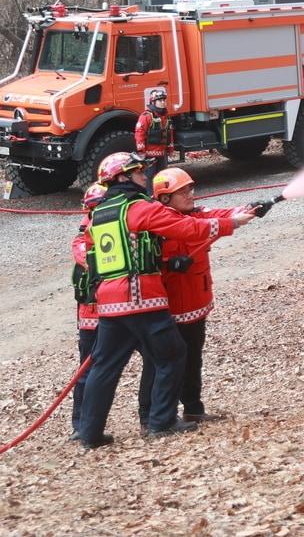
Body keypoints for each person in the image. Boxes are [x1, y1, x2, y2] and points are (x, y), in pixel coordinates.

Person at [72, 153, 253, 448]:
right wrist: (231, 224)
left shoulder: (99, 215)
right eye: (138, 172)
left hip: (109, 303)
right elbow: (186, 227)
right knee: (171, 354)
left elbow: (90, 255)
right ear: (122, 178)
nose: (144, 176)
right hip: (143, 298)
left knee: (104, 365)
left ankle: (89, 433)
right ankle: (161, 422)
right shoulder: (138, 208)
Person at [137, 167, 241, 425]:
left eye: (190, 189)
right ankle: (152, 416)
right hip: (167, 308)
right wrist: (167, 264)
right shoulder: (156, 222)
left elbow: (217, 216)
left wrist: (249, 210)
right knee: (160, 362)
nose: (190, 195)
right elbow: (141, 260)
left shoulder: (195, 216)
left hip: (196, 303)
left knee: (193, 358)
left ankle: (193, 408)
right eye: (182, 192)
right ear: (164, 198)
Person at [68, 182, 107, 437]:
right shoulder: (83, 242)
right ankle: (80, 425)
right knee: (87, 370)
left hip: (121, 312)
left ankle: (152, 416)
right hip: (92, 317)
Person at [134, 88, 175, 181]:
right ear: (153, 102)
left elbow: (169, 134)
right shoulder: (146, 116)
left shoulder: (166, 117)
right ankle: (150, 195)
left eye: (164, 100)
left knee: (163, 177)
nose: (163, 102)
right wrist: (141, 151)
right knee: (149, 178)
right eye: (160, 100)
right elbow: (139, 133)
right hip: (149, 155)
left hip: (162, 154)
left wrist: (170, 149)